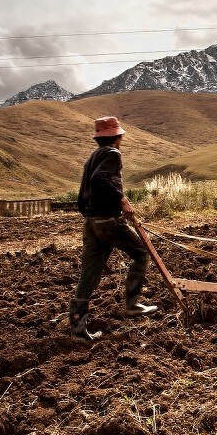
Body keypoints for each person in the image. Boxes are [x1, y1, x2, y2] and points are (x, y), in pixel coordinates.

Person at [69, 116, 158, 340]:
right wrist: (122, 201)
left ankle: (78, 327)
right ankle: (133, 304)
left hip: (90, 223)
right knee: (140, 253)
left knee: (88, 274)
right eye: (120, 136)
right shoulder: (113, 154)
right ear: (116, 137)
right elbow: (101, 179)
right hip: (108, 221)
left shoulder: (91, 158)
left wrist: (92, 217)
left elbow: (82, 196)